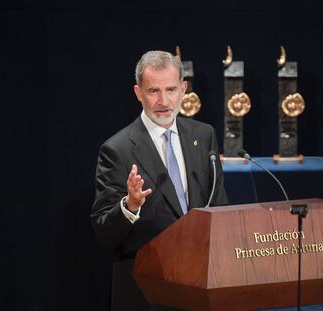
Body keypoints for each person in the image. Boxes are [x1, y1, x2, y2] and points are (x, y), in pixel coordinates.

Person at [91, 50, 228, 311]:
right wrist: (129, 206)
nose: (164, 100)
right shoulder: (117, 150)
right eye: (153, 91)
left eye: (171, 89)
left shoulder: (203, 135)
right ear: (138, 92)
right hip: (145, 293)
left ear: (183, 89)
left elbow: (219, 205)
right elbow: (103, 232)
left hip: (199, 288)